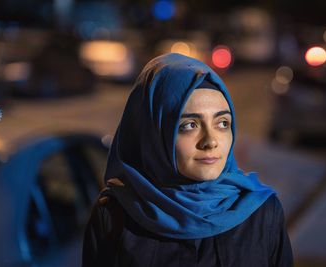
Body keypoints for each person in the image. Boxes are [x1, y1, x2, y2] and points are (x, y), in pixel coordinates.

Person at [82, 53, 293, 267]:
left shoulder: (262, 213)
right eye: (189, 125)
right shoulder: (114, 216)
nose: (211, 141)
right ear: (154, 134)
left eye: (222, 123)